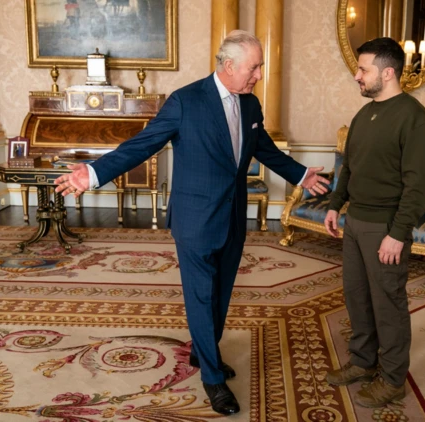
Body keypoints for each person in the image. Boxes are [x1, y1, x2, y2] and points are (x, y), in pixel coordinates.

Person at [54, 30, 330, 416]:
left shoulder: (250, 105)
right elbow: (142, 144)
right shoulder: (186, 101)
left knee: (221, 292)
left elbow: (262, 147)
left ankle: (205, 352)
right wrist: (95, 173)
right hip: (196, 219)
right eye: (254, 67)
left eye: (260, 66)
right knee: (201, 296)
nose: (259, 75)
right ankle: (212, 380)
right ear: (229, 65)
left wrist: (301, 175)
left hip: (233, 215)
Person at [324, 37, 425, 408]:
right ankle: (362, 361)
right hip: (355, 222)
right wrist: (335, 205)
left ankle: (391, 379)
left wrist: (397, 234)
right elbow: (350, 167)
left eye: (363, 70)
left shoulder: (414, 118)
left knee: (388, 304)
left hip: (385, 226)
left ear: (388, 73)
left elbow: (417, 186)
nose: (357, 76)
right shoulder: (364, 114)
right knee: (358, 298)